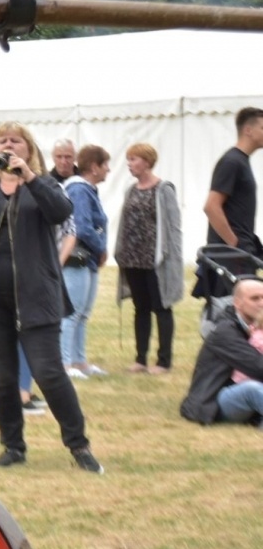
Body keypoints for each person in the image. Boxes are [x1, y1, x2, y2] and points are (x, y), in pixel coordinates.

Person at [0, 120, 103, 473]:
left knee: (48, 373)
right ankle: (13, 446)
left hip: (35, 297)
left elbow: (62, 213)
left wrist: (29, 176)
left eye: (17, 141)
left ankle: (79, 445)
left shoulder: (42, 185)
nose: (9, 146)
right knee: (1, 378)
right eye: (3, 141)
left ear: (29, 149)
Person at [115, 142, 183, 376]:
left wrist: (173, 259)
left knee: (162, 307)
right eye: (129, 159)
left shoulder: (164, 190)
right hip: (133, 258)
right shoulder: (130, 190)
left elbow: (173, 228)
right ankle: (140, 358)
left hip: (156, 260)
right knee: (140, 308)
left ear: (146, 161)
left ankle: (164, 360)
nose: (130, 164)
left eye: (133, 159)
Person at [179, 276, 263, 426]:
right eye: (255, 298)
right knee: (252, 390)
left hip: (246, 391)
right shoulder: (225, 331)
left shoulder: (257, 327)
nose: (261, 303)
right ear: (237, 303)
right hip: (215, 401)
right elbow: (259, 367)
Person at [61, 144, 111, 379]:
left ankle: (79, 360)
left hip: (87, 260)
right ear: (94, 166)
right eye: (105, 165)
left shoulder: (88, 190)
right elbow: (83, 226)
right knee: (71, 312)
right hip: (77, 259)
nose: (108, 170)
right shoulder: (79, 190)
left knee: (83, 313)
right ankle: (65, 362)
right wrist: (101, 249)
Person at [204, 107, 263, 259]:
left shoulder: (241, 161)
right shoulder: (232, 162)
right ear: (248, 130)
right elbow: (211, 206)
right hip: (229, 256)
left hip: (239, 251)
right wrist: (234, 244)